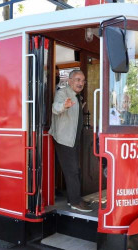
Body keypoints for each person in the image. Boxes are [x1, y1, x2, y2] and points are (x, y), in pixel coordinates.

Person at [49, 70, 92, 213]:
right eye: (78, 80)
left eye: (83, 81)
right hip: (64, 139)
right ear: (70, 80)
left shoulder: (76, 96)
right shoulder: (63, 93)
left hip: (74, 139)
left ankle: (73, 199)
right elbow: (55, 108)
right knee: (72, 171)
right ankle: (75, 202)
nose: (81, 83)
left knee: (75, 169)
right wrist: (64, 106)